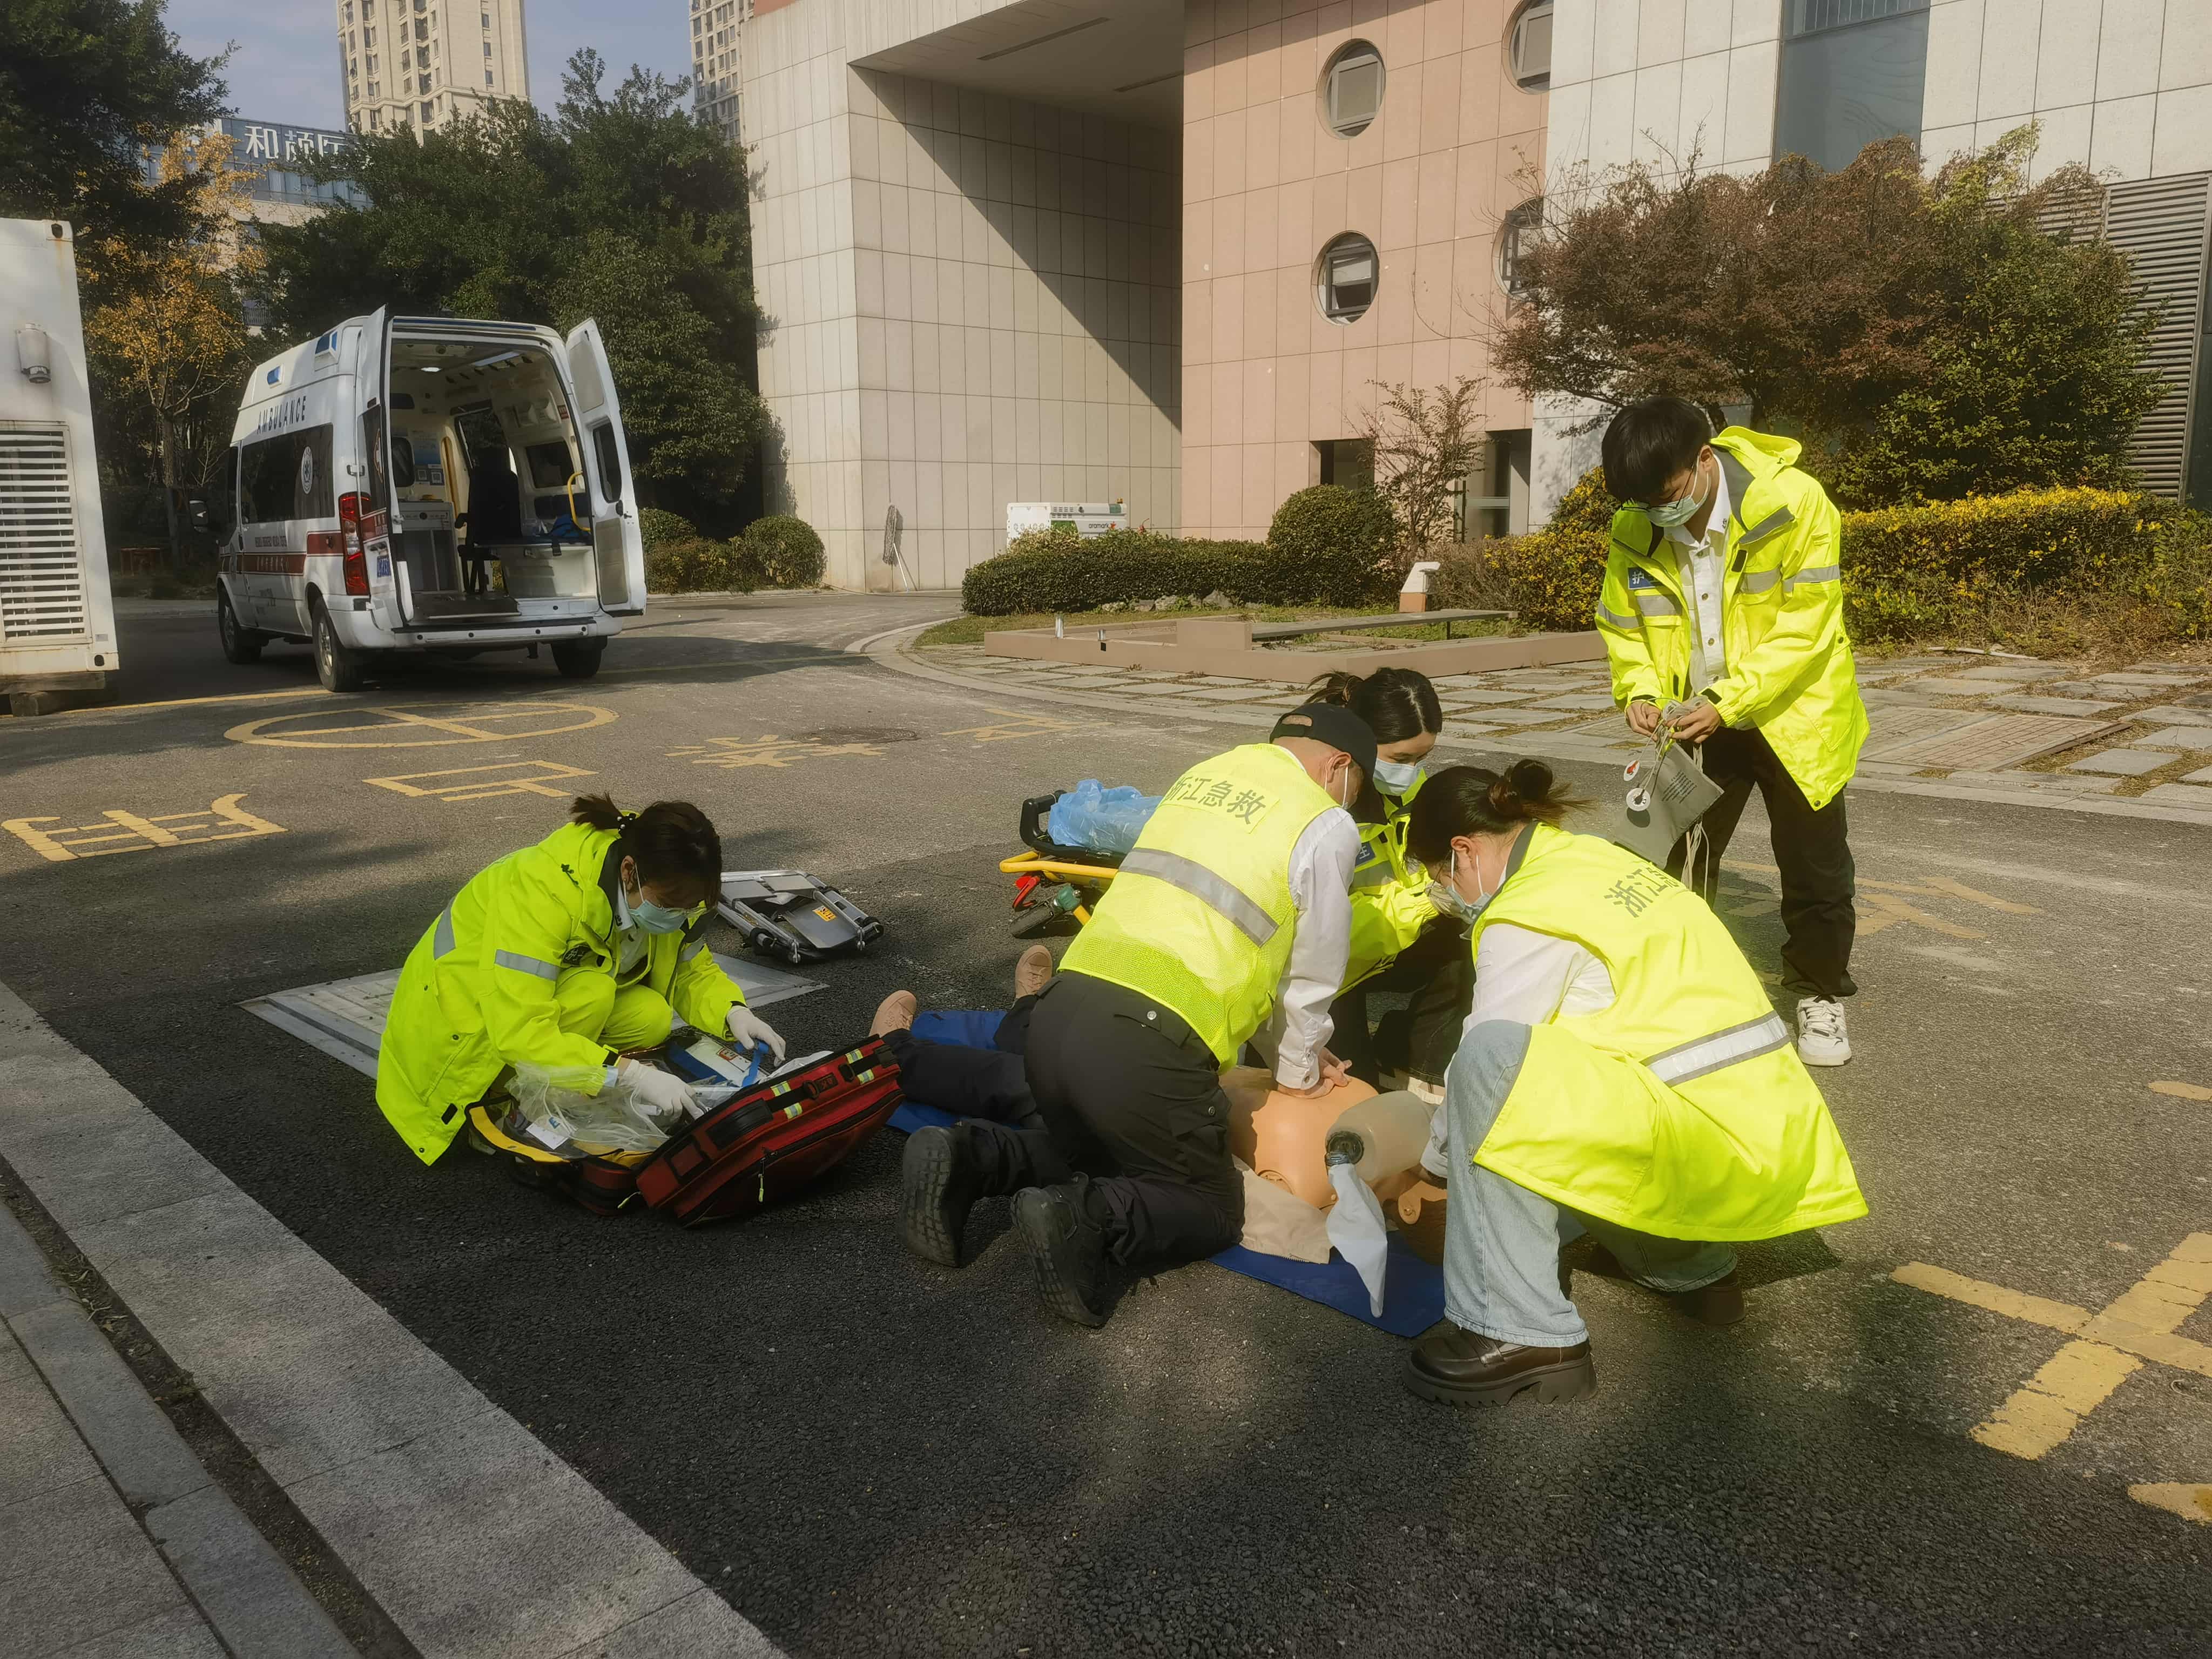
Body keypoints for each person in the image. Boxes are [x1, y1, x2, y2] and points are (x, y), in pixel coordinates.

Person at [1397, 761, 1866, 1408]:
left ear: (1463, 851)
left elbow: (1486, 1059)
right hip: (1750, 1145)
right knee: (1570, 1066)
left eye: (1438, 874)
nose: (1443, 891)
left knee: (1492, 1061)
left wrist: (1432, 1165)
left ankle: (1517, 1331)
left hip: (1701, 1148)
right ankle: (1685, 1265)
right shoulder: (1592, 861)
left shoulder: (1528, 912)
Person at [899, 705, 1376, 1326]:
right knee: (1208, 1207)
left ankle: (974, 1159)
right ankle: (1087, 1220)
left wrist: (1294, 1046)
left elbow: (1227, 939)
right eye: (1356, 788)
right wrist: (1299, 1075)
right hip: (1146, 1040)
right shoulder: (1323, 820)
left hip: (1061, 1009)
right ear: (1339, 765)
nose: (1348, 801)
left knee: (1102, 1154)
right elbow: (1311, 970)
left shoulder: (1207, 776)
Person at [1593, 397, 1869, 1067]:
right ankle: (1676, 986)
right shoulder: (1634, 524)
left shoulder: (1794, 503)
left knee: (1812, 862)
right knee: (1670, 856)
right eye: (1640, 503)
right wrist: (1640, 690)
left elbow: (1807, 626)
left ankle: (1818, 992)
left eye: (1665, 497)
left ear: (1703, 460)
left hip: (1793, 711)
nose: (1655, 513)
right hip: (1695, 713)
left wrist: (1730, 700)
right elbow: (1623, 623)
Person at [375, 794, 787, 1164]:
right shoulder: (543, 890)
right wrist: (630, 1074)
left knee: (650, 1015)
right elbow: (521, 1030)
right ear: (629, 872)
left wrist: (733, 1012)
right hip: (459, 1028)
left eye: (691, 907)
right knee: (594, 992)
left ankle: (571, 1084)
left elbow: (691, 970)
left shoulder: (662, 878)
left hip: (529, 1009)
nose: (680, 917)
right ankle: (505, 1104)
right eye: (670, 906)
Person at [1306, 668, 1466, 1098]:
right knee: (1351, 1093)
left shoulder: (1411, 790)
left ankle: (1412, 1062)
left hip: (1387, 941)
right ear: (1357, 740)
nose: (1412, 771)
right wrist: (1427, 902)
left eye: (1422, 758)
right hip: (1327, 970)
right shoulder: (1322, 806)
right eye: (1400, 759)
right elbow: (1324, 933)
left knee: (1477, 939)